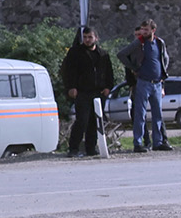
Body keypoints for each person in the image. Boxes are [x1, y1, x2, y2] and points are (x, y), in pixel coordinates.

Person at [119, 20, 171, 152]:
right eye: (142, 29)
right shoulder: (139, 43)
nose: (143, 32)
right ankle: (138, 143)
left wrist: (163, 73)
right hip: (143, 82)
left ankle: (158, 142)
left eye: (146, 30)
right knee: (140, 114)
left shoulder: (159, 42)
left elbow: (165, 58)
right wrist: (134, 68)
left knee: (157, 114)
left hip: (157, 83)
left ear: (153, 30)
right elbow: (122, 54)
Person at [60, 27, 113, 157]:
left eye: (90, 37)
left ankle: (91, 148)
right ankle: (73, 148)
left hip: (98, 92)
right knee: (82, 120)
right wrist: (71, 87)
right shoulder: (75, 53)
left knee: (94, 122)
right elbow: (68, 72)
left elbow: (108, 72)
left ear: (96, 38)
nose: (87, 40)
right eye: (85, 37)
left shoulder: (103, 55)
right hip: (82, 92)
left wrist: (108, 87)